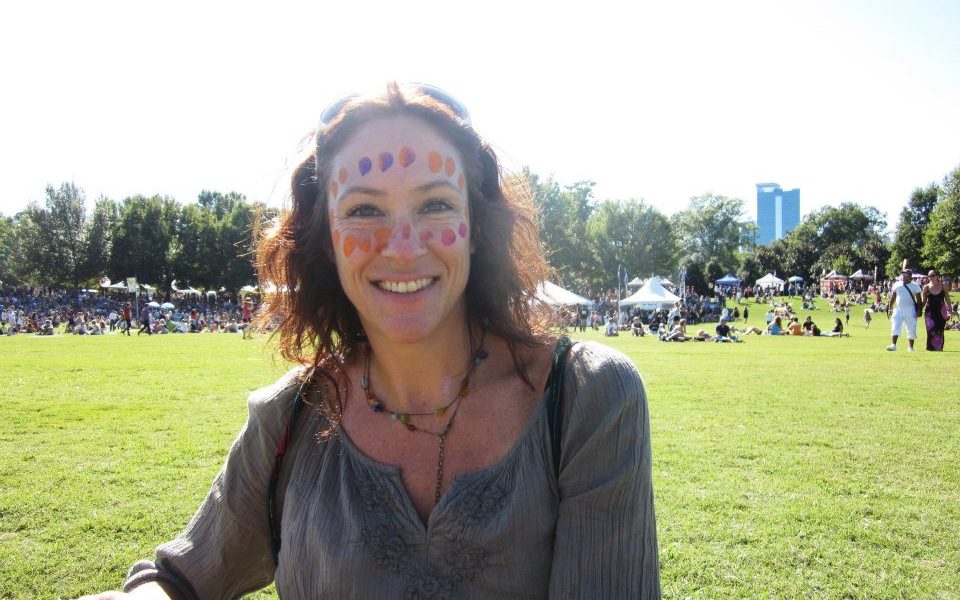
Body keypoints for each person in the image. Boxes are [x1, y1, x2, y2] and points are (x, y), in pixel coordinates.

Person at [82, 83, 659, 599]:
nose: (402, 247)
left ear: (476, 228)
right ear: (327, 240)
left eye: (436, 204)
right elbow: (181, 581)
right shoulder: (289, 417)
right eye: (363, 210)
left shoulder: (587, 398)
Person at [886, 268, 922, 352]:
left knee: (911, 328)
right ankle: (893, 345)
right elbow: (893, 297)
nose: (903, 276)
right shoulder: (896, 284)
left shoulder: (915, 286)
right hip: (898, 309)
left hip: (911, 310)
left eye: (905, 275)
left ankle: (911, 347)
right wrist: (890, 308)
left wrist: (919, 310)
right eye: (902, 275)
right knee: (895, 326)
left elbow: (919, 300)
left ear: (910, 277)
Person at [922, 269, 952, 351]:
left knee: (940, 329)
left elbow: (947, 298)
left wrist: (950, 309)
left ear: (937, 276)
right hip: (929, 312)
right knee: (930, 329)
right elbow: (924, 301)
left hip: (941, 312)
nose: (930, 277)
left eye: (932, 275)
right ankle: (930, 348)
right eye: (929, 276)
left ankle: (938, 348)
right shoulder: (926, 287)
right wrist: (918, 308)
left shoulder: (943, 286)